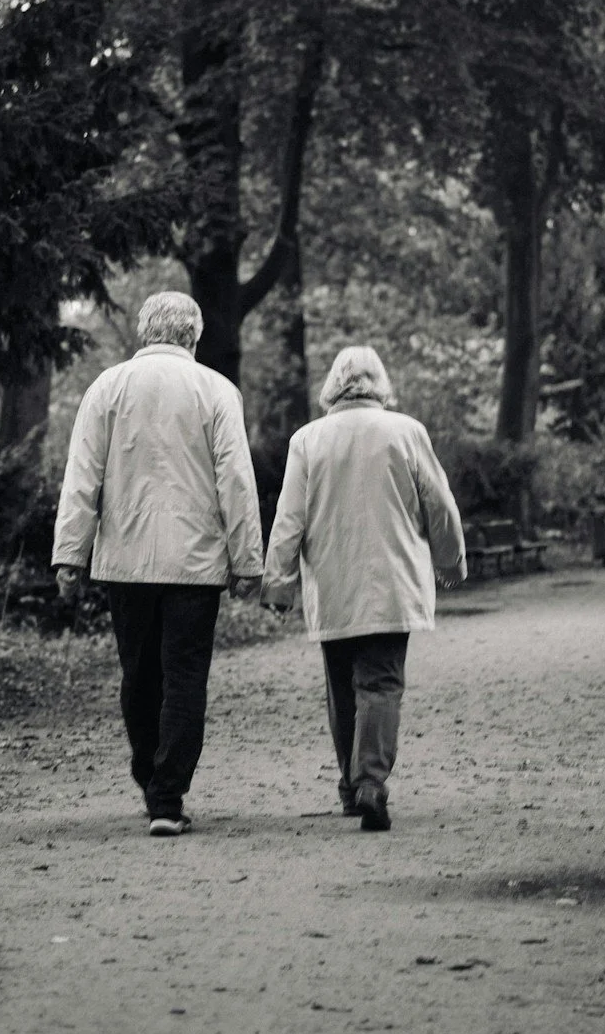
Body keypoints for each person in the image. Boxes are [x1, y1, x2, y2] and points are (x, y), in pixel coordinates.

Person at [52, 290, 264, 837]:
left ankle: (149, 774)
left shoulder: (107, 387)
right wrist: (247, 561)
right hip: (195, 562)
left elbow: (82, 475)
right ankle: (166, 796)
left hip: (125, 561)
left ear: (144, 332)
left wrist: (70, 554)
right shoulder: (216, 390)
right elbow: (236, 481)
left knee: (139, 676)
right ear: (194, 335)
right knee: (185, 677)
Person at [262, 344, 465, 832]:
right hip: (392, 583)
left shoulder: (308, 439)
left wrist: (279, 582)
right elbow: (439, 504)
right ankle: (370, 781)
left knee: (342, 689)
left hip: (332, 584)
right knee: (381, 683)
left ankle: (352, 787)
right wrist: (451, 561)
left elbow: (289, 518)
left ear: (333, 386)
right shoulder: (406, 432)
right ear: (381, 384)